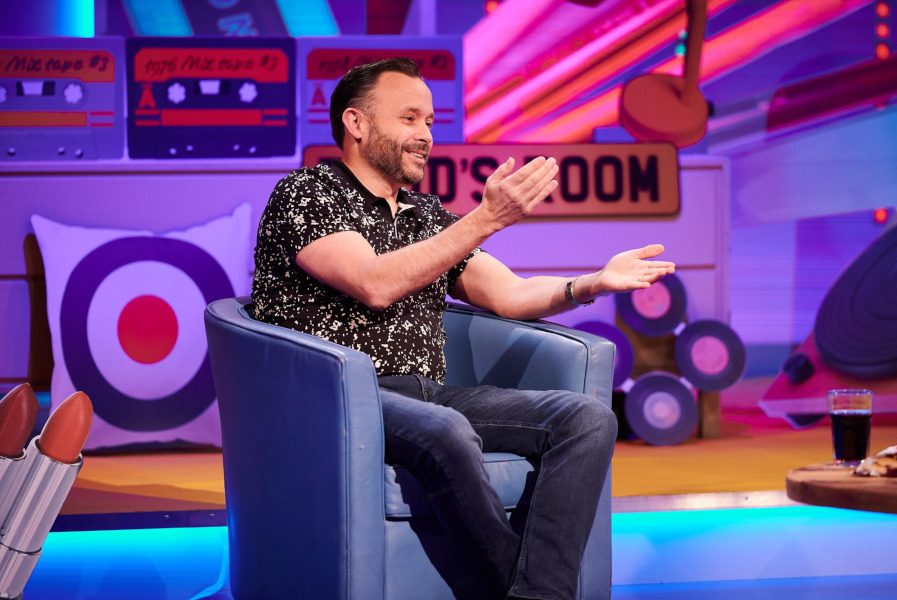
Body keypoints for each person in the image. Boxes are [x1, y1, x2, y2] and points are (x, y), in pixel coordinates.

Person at [252, 58, 675, 600]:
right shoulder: (307, 194)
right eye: (409, 119)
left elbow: (508, 294)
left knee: (587, 418)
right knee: (448, 431)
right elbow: (374, 282)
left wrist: (592, 282)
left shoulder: (426, 214)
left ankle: (537, 594)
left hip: (429, 392)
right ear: (356, 124)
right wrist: (487, 217)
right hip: (341, 396)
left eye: (429, 121)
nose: (425, 136)